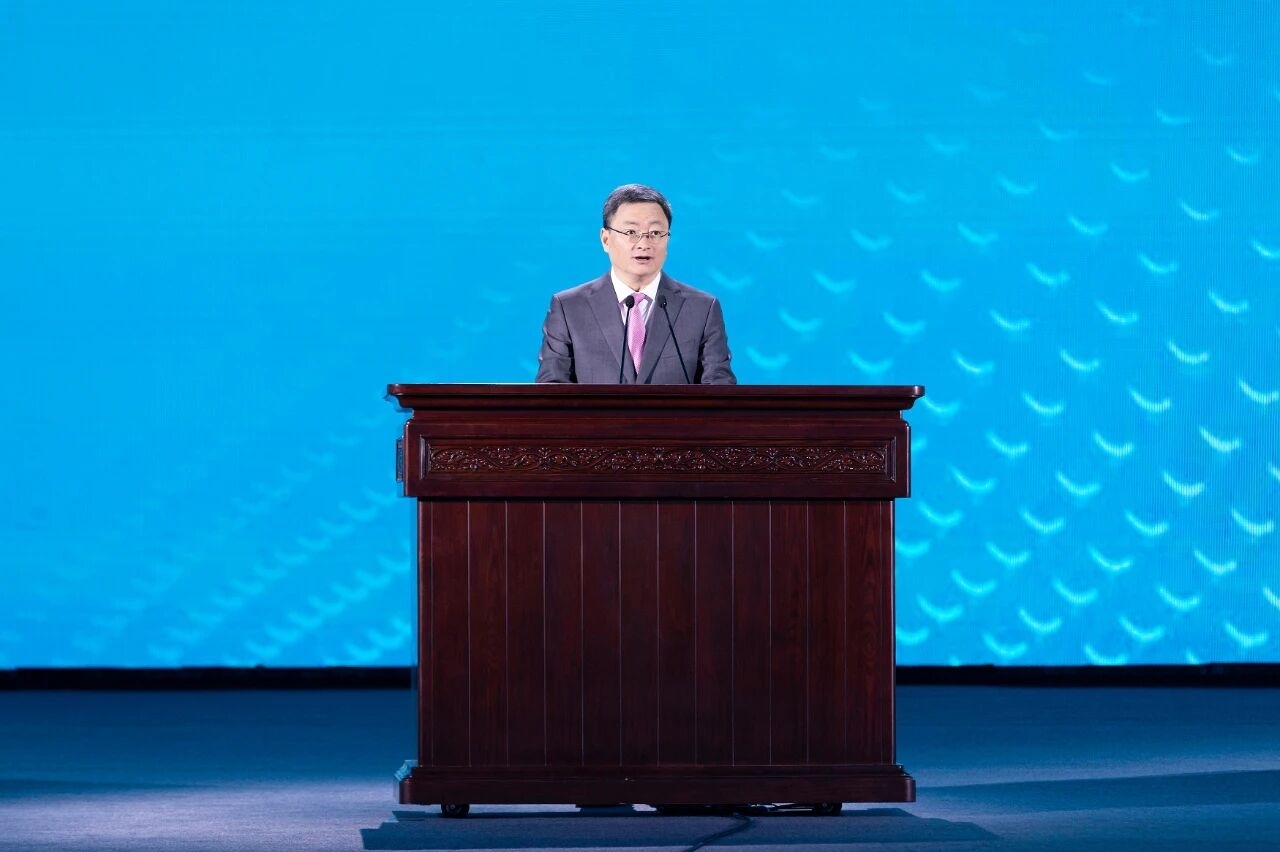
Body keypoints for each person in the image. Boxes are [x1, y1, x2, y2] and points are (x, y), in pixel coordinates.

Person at [535, 184, 736, 384]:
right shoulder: (569, 307)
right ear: (605, 239)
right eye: (631, 232)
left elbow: (720, 390)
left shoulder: (702, 309)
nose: (644, 244)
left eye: (655, 233)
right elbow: (552, 390)